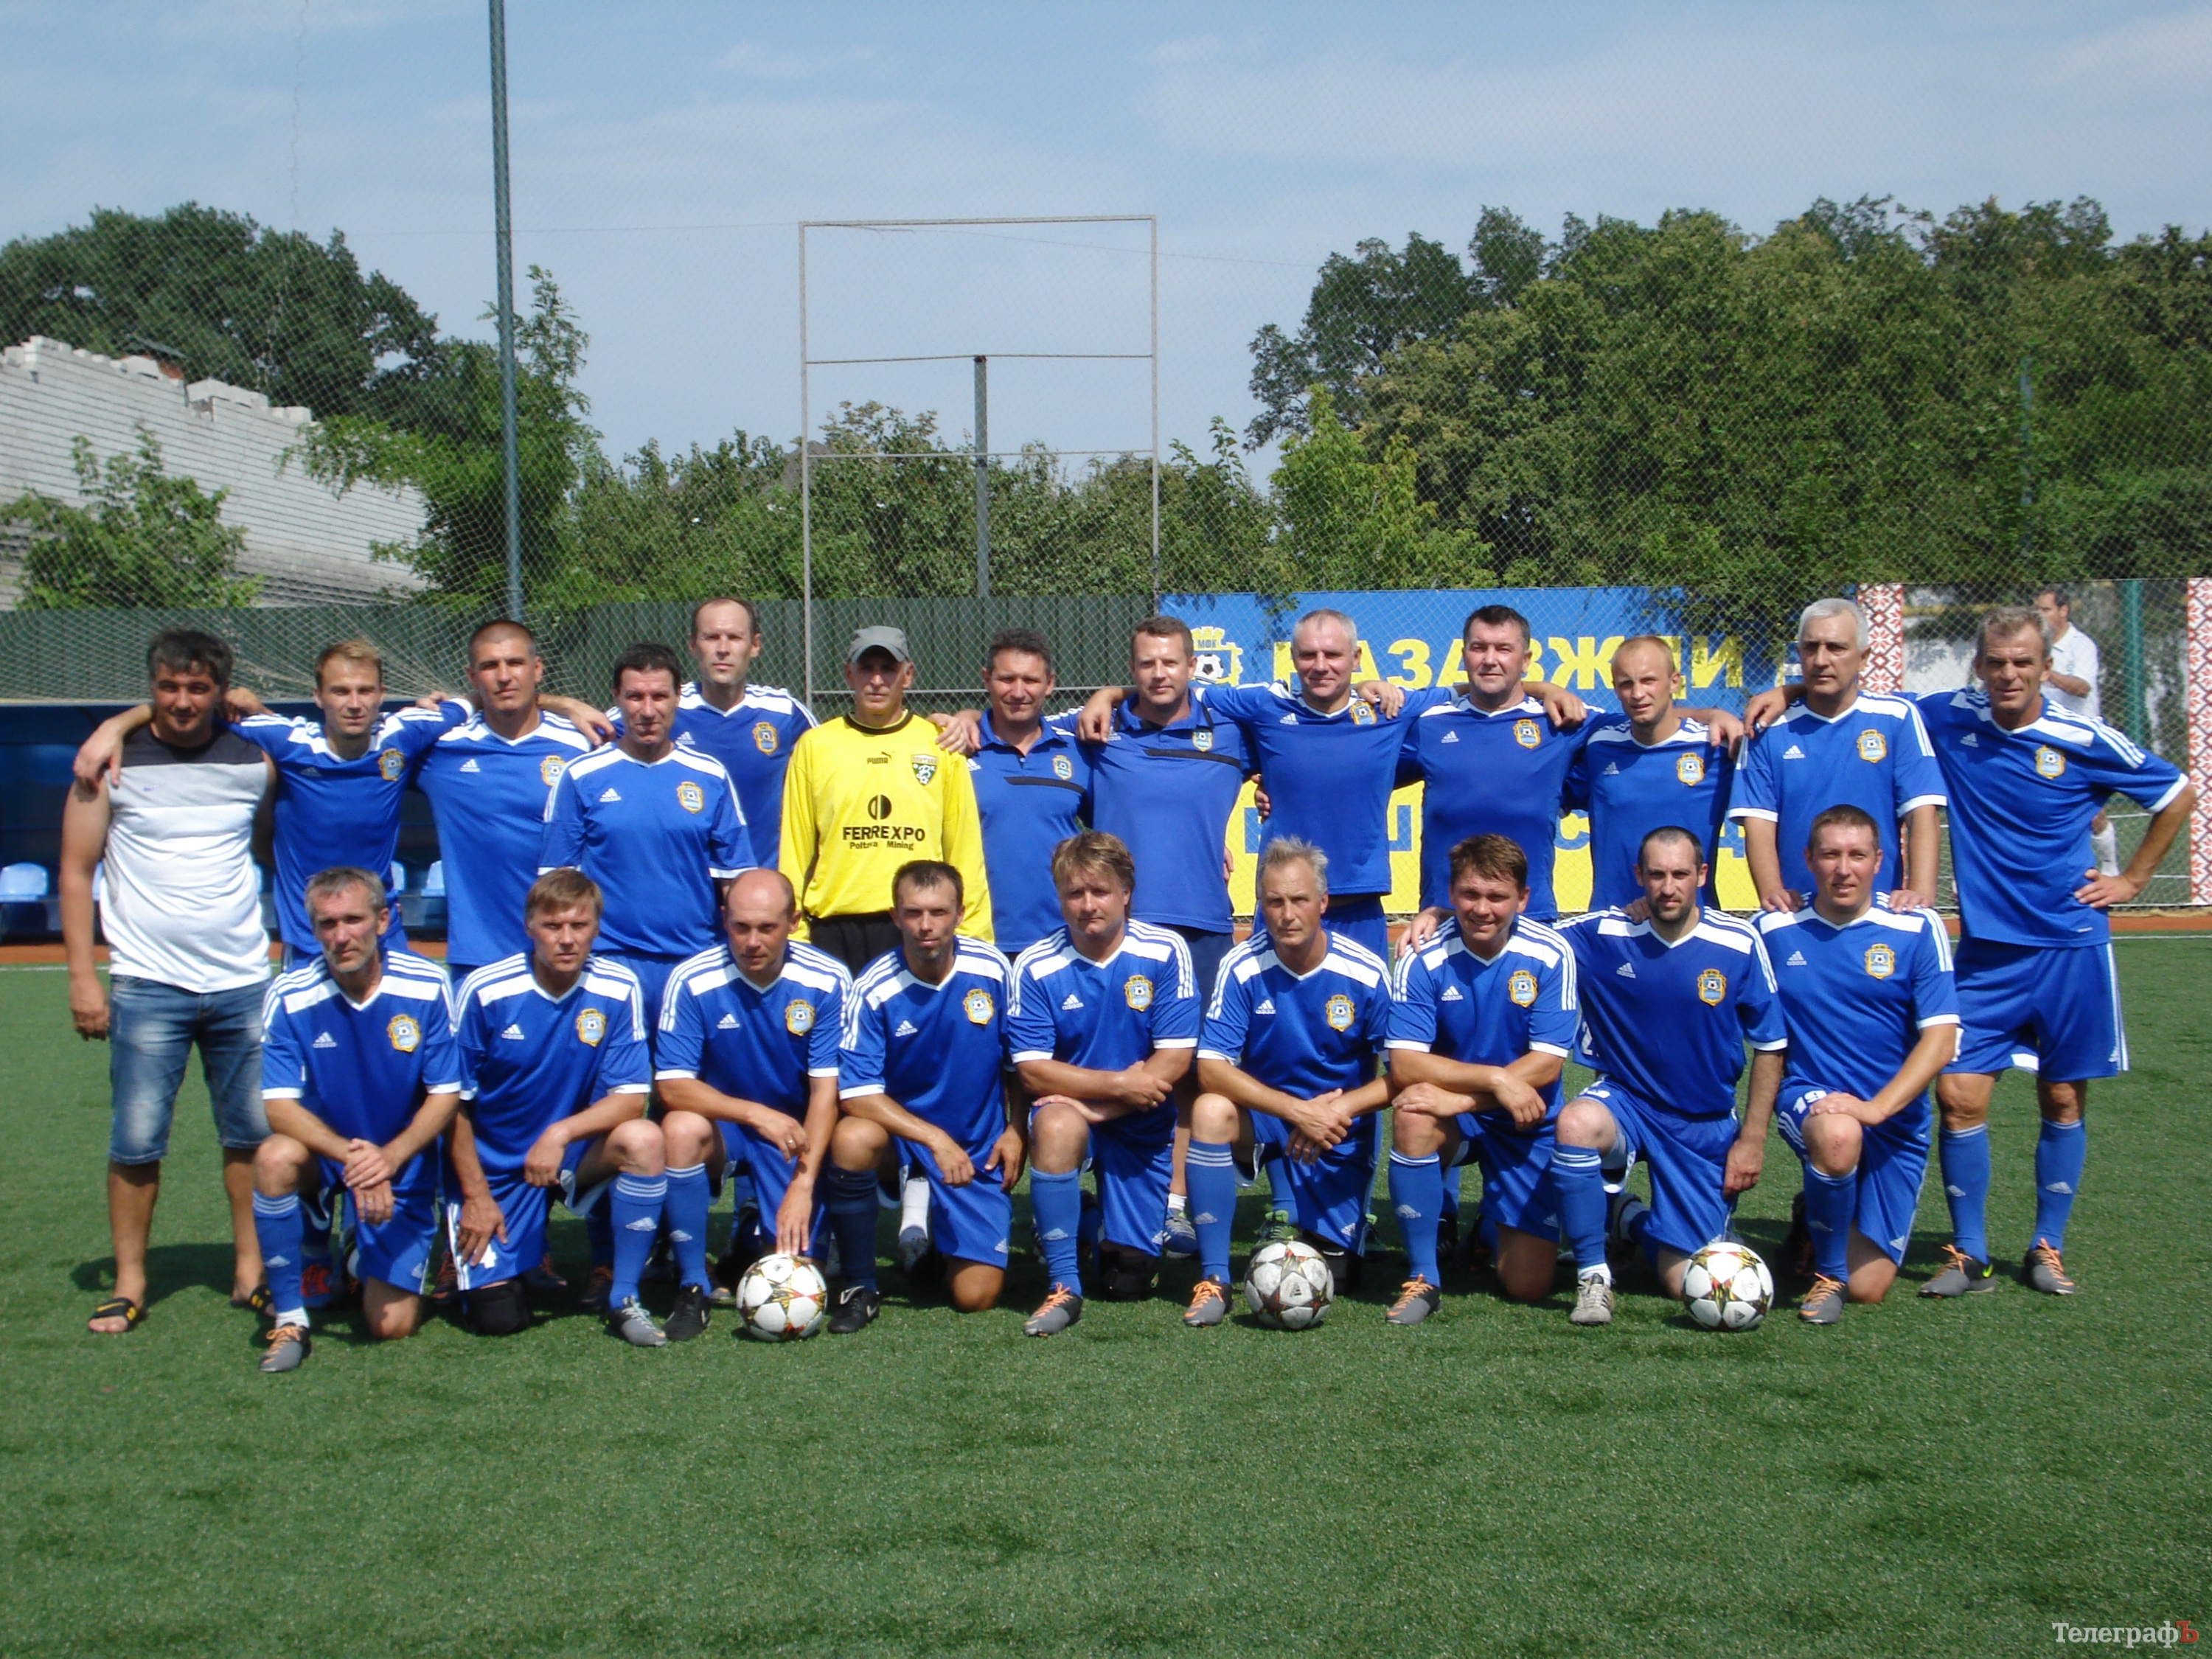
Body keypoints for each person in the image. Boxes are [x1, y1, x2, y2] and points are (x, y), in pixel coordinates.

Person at [1911, 608, 2192, 1295]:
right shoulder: (1948, 717)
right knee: (1958, 1095)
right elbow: (1866, 704)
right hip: (1986, 955)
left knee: (2063, 1096)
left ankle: (2047, 1246)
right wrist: (1791, 691)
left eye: (2022, 663)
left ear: (2045, 668)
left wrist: (2132, 880)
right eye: (1996, 662)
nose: (2008, 674)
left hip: (2071, 949)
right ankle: (1969, 1252)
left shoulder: (2083, 737)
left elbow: (2177, 793)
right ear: (1979, 666)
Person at [63, 628, 277, 1335]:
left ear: (219, 692)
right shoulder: (109, 763)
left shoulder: (255, 760)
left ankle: (250, 1272)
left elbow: (273, 838)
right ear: (151, 686)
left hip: (243, 981)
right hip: (147, 983)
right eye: (167, 687)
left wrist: (253, 709)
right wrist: (83, 978)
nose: (182, 701)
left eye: (197, 688)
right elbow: (76, 873)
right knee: (136, 1141)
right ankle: (130, 1282)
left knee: (249, 1136)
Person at [76, 639, 455, 963]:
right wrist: (116, 725)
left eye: (365, 691)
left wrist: (445, 699)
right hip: (309, 941)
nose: (354, 703)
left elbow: (471, 702)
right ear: (318, 696)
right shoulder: (286, 742)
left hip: (383, 935)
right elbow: (187, 709)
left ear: (381, 694)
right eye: (340, 691)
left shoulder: (403, 735)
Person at [1551, 827, 1787, 1326]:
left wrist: (1752, 1141)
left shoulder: (1738, 942)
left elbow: (1771, 1045)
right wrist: (1441, 913)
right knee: (1575, 1123)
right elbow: (1522, 929)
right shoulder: (1605, 934)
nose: (1668, 887)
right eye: (1656, 875)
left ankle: (1629, 1219)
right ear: (1639, 876)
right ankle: (1594, 1275)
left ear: (1702, 875)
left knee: (1682, 1281)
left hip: (1702, 1125)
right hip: (1627, 1101)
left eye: (1680, 874)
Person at [1754, 807, 1960, 1324]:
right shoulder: (1773, 928)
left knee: (1871, 1288)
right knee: (1839, 1136)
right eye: (1830, 855)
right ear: (1808, 859)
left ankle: (1813, 1216)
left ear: (1879, 861)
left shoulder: (1916, 926)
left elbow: (1940, 1040)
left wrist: (1877, 1109)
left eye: (1857, 856)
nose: (1843, 869)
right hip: (1811, 1096)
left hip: (1894, 1118)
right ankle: (1829, 1276)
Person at [250, 867, 459, 1372]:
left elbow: (445, 1094)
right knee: (274, 1156)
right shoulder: (290, 994)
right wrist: (356, 1160)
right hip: (326, 1155)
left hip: (400, 1160)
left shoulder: (428, 984)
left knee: (392, 1326)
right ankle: (292, 1314)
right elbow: (279, 1107)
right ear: (312, 930)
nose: (341, 936)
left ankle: (353, 1254)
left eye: (353, 920)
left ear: (383, 920)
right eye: (327, 924)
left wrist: (388, 1159)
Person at [448, 871, 669, 1346]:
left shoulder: (619, 987)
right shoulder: (485, 991)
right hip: (496, 1169)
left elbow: (631, 1098)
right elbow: (453, 1107)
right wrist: (476, 1195)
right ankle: (499, 1252)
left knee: (644, 1139)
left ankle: (624, 1295)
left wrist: (559, 1134)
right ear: (529, 926)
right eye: (552, 926)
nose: (566, 939)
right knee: (498, 1318)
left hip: (570, 1155)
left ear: (596, 928)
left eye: (579, 925)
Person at [1183, 838, 1394, 1327]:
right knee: (1210, 1110)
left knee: (1337, 1275)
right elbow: (1211, 1068)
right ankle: (1214, 1278)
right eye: (1274, 902)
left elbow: (1403, 1075)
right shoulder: (1242, 965)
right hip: (1270, 1119)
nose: (1287, 914)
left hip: (1338, 1130)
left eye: (1299, 900)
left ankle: (1329, 1220)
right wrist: (1295, 1111)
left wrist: (1336, 1110)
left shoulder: (1364, 971)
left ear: (1323, 902)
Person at [1005, 832, 1198, 1335]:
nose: (1088, 905)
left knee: (1126, 1279)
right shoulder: (1035, 964)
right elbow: (1033, 1070)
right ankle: (1063, 1286)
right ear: (1059, 897)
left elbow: (1175, 1058)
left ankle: (1087, 1220)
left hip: (1140, 1120)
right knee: (1057, 1124)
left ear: (1126, 893)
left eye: (1100, 891)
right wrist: (1115, 1086)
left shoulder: (1165, 950)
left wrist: (1106, 1105)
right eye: (1075, 893)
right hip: (1074, 1109)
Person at [1384, 834, 1579, 1326]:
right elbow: (1405, 1063)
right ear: (1451, 893)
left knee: (1527, 1286)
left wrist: (1467, 1100)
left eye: (1497, 897)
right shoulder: (1422, 957)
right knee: (1412, 1115)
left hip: (1526, 1120)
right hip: (1461, 1115)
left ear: (1523, 899)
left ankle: (1491, 1225)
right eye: (1470, 894)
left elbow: (1547, 1064)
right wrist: (1494, 1080)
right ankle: (1424, 1277)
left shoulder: (1550, 953)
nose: (1482, 909)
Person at [821, 861, 1025, 1332]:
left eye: (938, 912)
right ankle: (860, 1284)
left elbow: (1019, 1064)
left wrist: (1017, 1129)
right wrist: (933, 1139)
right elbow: (857, 1093)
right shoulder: (873, 986)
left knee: (975, 1297)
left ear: (960, 914)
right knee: (852, 1137)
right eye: (913, 913)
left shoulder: (993, 970)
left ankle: (938, 1235)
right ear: (895, 917)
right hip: (901, 1141)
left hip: (974, 1145)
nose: (926, 925)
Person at [654, 869, 848, 1308]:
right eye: (740, 927)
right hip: (727, 1127)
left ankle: (752, 1231)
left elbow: (826, 1094)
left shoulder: (828, 979)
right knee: (681, 1128)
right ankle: (691, 1280)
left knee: (798, 1279)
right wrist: (756, 1114)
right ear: (724, 919)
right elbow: (673, 1086)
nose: (752, 941)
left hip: (795, 1135)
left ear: (794, 922)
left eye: (767, 928)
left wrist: (802, 1187)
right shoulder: (692, 979)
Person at [540, 641, 754, 1032]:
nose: (648, 710)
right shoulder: (581, 776)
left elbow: (735, 882)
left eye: (659, 696)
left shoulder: (710, 775)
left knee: (685, 1071)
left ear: (678, 698)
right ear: (616, 697)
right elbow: (558, 885)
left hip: (693, 960)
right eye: (635, 697)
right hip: (608, 963)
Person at [778, 626, 992, 974]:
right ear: (849, 674)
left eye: (888, 669)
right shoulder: (815, 746)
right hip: (835, 928)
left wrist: (973, 936)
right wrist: (794, 933)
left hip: (916, 926)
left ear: (907, 675)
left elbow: (964, 849)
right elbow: (794, 849)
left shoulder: (940, 744)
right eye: (867, 669)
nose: (877, 681)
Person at [1728, 597, 1946, 913]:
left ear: (1863, 657)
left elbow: (1921, 813)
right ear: (1799, 653)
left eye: (1836, 648)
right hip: (1799, 915)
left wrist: (1920, 893)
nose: (1821, 660)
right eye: (1811, 647)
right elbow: (1758, 823)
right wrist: (1773, 892)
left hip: (1882, 911)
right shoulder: (1767, 727)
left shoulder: (1897, 718)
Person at [415, 620, 594, 983]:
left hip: (565, 955)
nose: (504, 676)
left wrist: (564, 704)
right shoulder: (441, 749)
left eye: (515, 663)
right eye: (489, 666)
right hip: (479, 959)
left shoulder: (583, 744)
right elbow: (366, 747)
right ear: (471, 676)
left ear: (537, 669)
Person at [612, 597, 817, 871]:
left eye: (734, 638)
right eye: (711, 638)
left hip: (757, 882)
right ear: (693, 646)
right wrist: (566, 705)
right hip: (686, 881)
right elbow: (583, 732)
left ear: (755, 645)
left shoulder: (784, 713)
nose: (722, 649)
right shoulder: (664, 706)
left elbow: (829, 775)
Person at [1560, 636, 1736, 913]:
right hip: (1614, 920)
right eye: (1626, 684)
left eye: (1648, 681)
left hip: (1692, 923)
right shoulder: (1599, 747)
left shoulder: (1715, 748)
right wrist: (1545, 688)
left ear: (1674, 682)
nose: (1637, 694)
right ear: (1615, 688)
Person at [965, 630, 1092, 959]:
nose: (1019, 692)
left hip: (1064, 940)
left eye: (1031, 680)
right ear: (987, 679)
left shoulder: (1078, 751)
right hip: (979, 939)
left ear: (1050, 683)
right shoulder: (959, 747)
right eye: (1007, 679)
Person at [2034, 585, 2121, 877]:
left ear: (2063, 611)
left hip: (2080, 740)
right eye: (2037, 610)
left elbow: (2082, 688)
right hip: (2044, 740)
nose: (2040, 615)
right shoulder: (2035, 645)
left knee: (2092, 813)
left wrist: (2046, 672)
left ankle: (2110, 868)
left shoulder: (2081, 645)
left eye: (2046, 609)